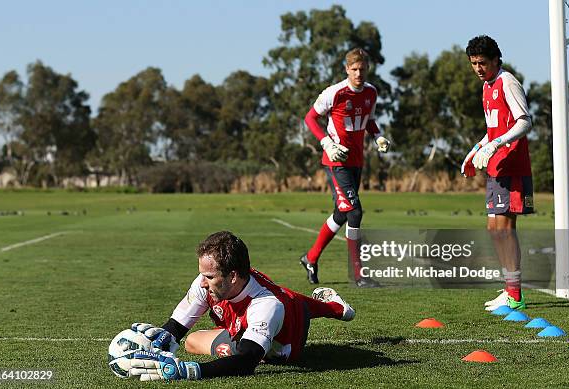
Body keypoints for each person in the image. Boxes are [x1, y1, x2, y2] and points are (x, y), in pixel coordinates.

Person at [116, 231, 355, 381]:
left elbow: (247, 361)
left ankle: (335, 307)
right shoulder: (207, 283)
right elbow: (176, 328)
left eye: (209, 276)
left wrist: (190, 371)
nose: (201, 282)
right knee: (191, 341)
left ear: (232, 276)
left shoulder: (267, 304)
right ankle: (237, 341)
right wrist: (158, 344)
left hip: (289, 328)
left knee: (297, 303)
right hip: (243, 328)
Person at [300, 47, 391, 288]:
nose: (358, 73)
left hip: (356, 161)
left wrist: (378, 136)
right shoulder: (334, 93)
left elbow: (369, 120)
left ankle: (310, 259)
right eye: (354, 69)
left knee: (342, 213)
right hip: (336, 162)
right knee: (355, 212)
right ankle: (359, 275)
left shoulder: (371, 92)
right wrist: (327, 143)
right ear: (346, 69)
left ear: (367, 69)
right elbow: (310, 118)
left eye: (362, 69)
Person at [461, 35, 534, 311]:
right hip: (496, 166)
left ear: (495, 60)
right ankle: (509, 289)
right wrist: (476, 149)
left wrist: (494, 144)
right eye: (473, 64)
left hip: (512, 165)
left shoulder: (507, 82)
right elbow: (494, 128)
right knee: (494, 229)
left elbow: (524, 122)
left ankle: (515, 294)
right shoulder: (487, 86)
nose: (478, 68)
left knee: (505, 228)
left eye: (482, 63)